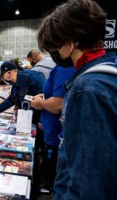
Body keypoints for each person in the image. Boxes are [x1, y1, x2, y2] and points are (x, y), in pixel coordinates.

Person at [37, 0, 117, 199]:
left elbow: (87, 183)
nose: (54, 53)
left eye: (54, 46)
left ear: (69, 44)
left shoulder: (87, 89)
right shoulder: (109, 71)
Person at [30, 65, 75, 194]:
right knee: (48, 159)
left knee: (52, 162)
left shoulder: (66, 68)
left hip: (57, 132)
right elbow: (60, 95)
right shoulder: (61, 67)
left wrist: (41, 103)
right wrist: (44, 96)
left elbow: (59, 103)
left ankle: (49, 186)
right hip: (51, 128)